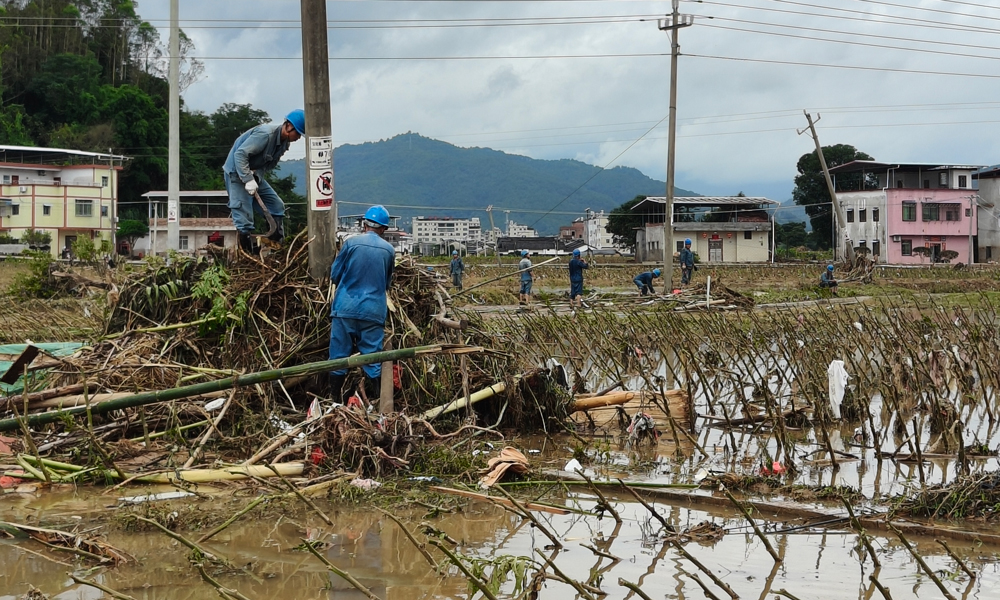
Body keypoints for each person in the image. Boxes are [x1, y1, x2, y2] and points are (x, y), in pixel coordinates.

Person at [328, 205, 395, 404]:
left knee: (339, 357)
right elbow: (387, 283)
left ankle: (334, 402)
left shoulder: (351, 244)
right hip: (373, 310)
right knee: (372, 360)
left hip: (345, 308)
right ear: (383, 229)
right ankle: (376, 404)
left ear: (364, 224)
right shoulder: (389, 250)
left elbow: (335, 275)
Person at [223, 109, 305, 254]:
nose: (298, 137)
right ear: (288, 126)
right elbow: (240, 155)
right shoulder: (265, 134)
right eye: (297, 133)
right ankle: (246, 254)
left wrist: (256, 177)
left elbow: (269, 165)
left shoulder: (285, 144)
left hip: (254, 174)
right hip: (236, 173)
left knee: (277, 206)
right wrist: (247, 179)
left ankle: (276, 245)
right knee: (244, 217)